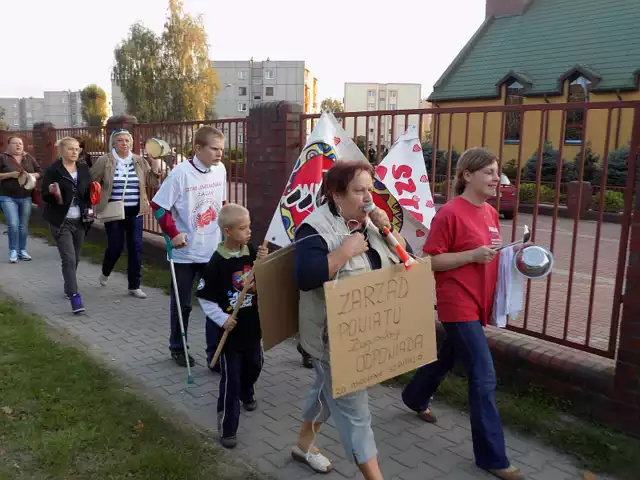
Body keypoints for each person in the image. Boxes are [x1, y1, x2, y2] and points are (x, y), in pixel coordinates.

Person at [401, 148, 524, 480]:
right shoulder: (450, 213)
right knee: (483, 376)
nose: (496, 179)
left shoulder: (491, 213)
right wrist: (471, 256)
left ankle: (414, 396)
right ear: (467, 175)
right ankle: (491, 457)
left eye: (497, 173)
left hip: (479, 300)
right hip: (457, 302)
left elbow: (491, 254)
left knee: (446, 356)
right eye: (489, 172)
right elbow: (431, 260)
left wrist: (515, 255)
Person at [291, 160, 410, 480]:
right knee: (355, 412)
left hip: (366, 333)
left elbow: (405, 259)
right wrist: (343, 252)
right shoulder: (313, 228)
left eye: (370, 189)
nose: (368, 197)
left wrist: (388, 229)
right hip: (333, 339)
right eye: (359, 190)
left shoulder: (370, 220)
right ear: (336, 193)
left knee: (324, 393)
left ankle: (303, 446)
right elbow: (305, 276)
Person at [151, 125, 227, 368]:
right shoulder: (180, 174)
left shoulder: (220, 170)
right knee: (183, 304)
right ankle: (178, 348)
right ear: (198, 148)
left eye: (221, 149)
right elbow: (159, 206)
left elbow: (222, 202)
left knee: (214, 304)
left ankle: (214, 356)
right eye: (214, 149)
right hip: (184, 253)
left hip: (212, 249)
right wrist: (173, 233)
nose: (219, 154)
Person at [196, 203, 268, 449]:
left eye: (249, 227)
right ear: (227, 231)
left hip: (252, 328)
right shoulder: (216, 263)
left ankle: (248, 391)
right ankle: (228, 426)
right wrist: (222, 319)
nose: (249, 232)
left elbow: (263, 278)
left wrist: (264, 264)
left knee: (255, 365)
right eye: (243, 228)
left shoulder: (250, 251)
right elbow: (205, 298)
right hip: (229, 335)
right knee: (231, 381)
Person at [91, 129, 161, 298]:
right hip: (113, 210)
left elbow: (151, 183)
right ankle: (106, 271)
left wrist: (155, 165)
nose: (124, 143)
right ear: (113, 143)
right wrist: (94, 202)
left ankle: (134, 285)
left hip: (135, 210)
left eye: (127, 141)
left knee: (136, 247)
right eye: (120, 140)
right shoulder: (105, 160)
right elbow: (92, 180)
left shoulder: (138, 160)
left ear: (131, 143)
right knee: (115, 247)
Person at [40, 137, 93, 314]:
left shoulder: (84, 169)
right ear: (61, 151)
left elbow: (89, 191)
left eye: (77, 149)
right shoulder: (53, 170)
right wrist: (52, 194)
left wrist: (93, 195)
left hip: (80, 220)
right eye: (70, 149)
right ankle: (75, 296)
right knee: (69, 258)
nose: (75, 152)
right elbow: (43, 195)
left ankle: (68, 286)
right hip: (61, 221)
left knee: (75, 258)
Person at [0, 136, 41, 263]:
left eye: (20, 143)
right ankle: (13, 250)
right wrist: (10, 175)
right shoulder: (3, 158)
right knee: (13, 224)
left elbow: (40, 172)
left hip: (25, 196)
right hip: (7, 196)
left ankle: (22, 250)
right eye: (15, 143)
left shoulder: (29, 158)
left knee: (23, 225)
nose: (18, 146)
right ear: (9, 145)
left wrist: (31, 175)